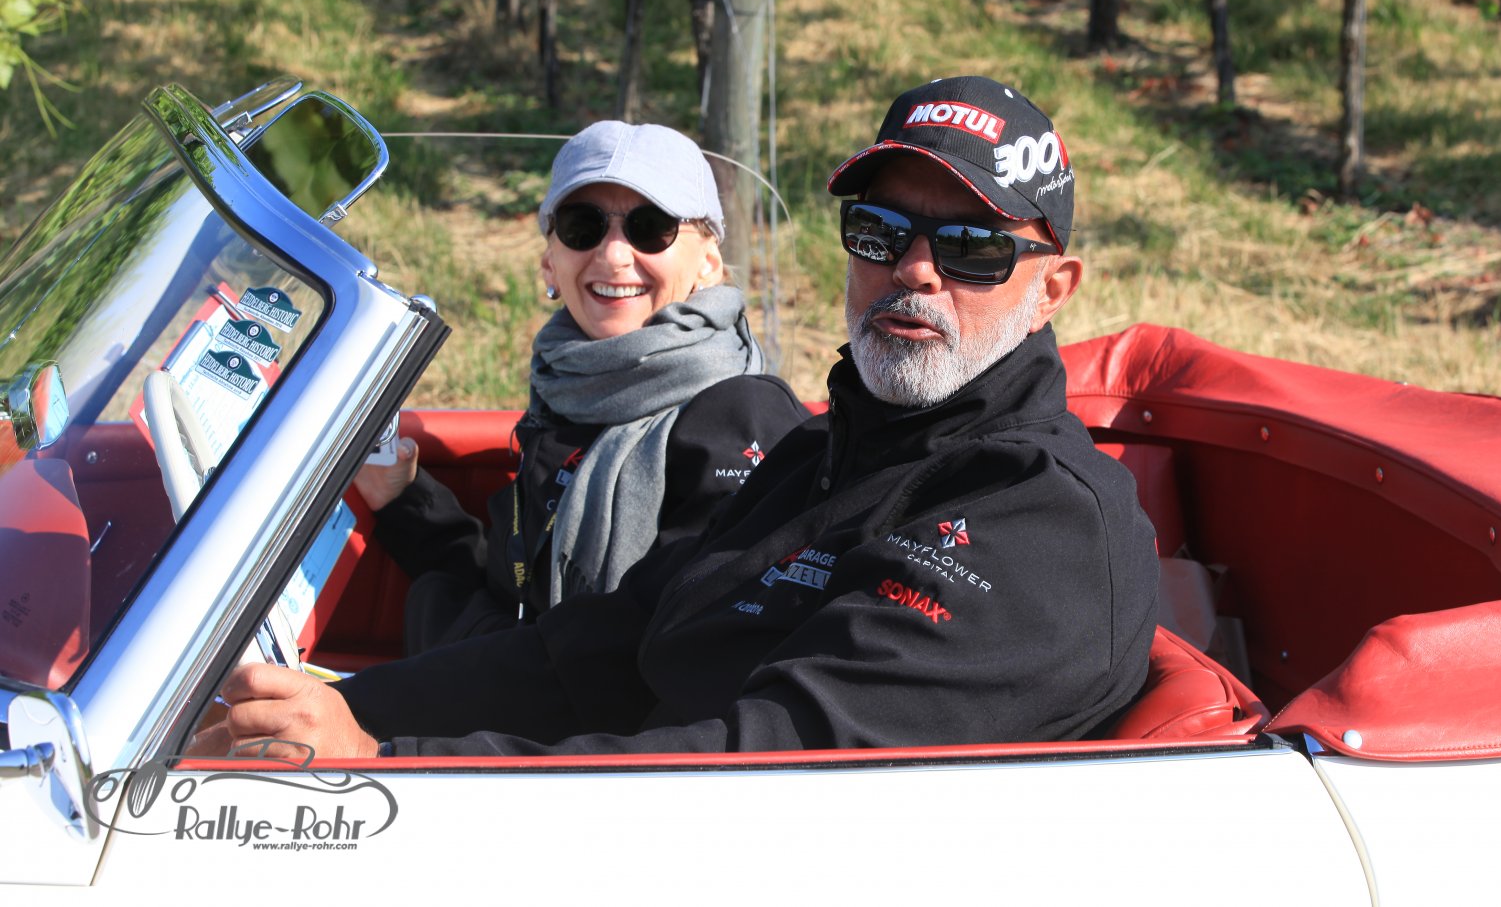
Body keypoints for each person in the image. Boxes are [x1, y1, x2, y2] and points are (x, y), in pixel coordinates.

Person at [201, 76, 1159, 759]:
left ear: (1053, 288)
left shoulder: (1042, 523)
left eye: (973, 248)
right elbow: (597, 649)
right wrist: (347, 709)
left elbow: (766, 767)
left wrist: (390, 760)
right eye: (879, 231)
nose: (914, 270)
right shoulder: (821, 454)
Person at [354, 120, 810, 653]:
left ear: (709, 262)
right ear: (550, 262)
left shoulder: (740, 417)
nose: (613, 255)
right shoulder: (564, 392)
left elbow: (653, 656)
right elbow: (518, 590)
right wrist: (403, 499)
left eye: (651, 227)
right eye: (582, 226)